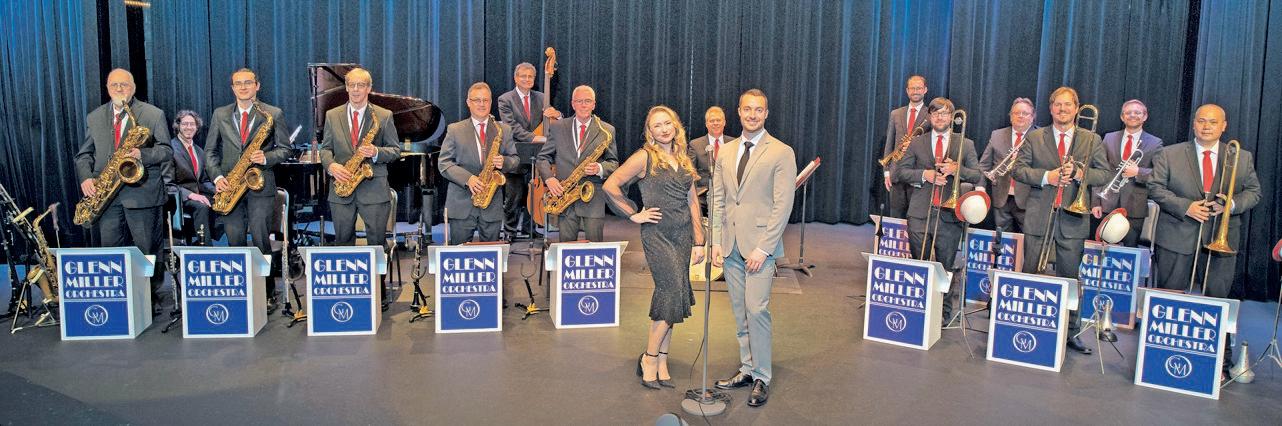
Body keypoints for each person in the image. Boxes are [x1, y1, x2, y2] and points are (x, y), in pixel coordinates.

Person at [1148, 103, 1260, 372]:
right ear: (1194, 124)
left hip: (1221, 241)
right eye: (1201, 121)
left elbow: (1253, 192)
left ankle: (1219, 361)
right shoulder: (1169, 153)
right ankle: (1161, 357)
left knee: (1218, 301)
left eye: (1213, 122)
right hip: (1176, 236)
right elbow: (1154, 187)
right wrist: (1186, 206)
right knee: (1170, 299)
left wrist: (1230, 204)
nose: (1206, 126)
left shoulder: (1241, 157)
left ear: (1224, 126)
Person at [602, 106, 704, 390]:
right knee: (669, 293)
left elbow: (692, 200)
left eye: (667, 123)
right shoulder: (644, 157)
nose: (663, 129)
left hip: (682, 235)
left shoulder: (683, 157)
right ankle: (649, 358)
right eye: (657, 125)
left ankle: (661, 361)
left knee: (675, 298)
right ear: (650, 131)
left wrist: (699, 240)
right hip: (658, 235)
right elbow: (611, 184)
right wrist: (633, 214)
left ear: (675, 126)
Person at [710, 89, 797, 407]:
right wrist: (715, 241)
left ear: (766, 113)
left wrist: (765, 248)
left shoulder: (782, 152)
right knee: (739, 311)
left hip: (760, 247)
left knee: (757, 310)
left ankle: (762, 376)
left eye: (758, 110)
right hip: (730, 246)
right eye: (747, 109)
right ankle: (747, 368)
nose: (752, 114)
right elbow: (718, 199)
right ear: (738, 111)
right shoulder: (725, 151)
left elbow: (782, 205)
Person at [1010, 86, 1110, 355]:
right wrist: (1047, 177)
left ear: (1076, 109)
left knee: (1070, 278)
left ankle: (1070, 332)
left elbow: (1104, 174)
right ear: (1051, 108)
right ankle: (1028, 325)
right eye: (1057, 105)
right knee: (1032, 272)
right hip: (1039, 216)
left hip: (1073, 220)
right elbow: (1018, 170)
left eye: (1068, 105)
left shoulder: (1091, 139)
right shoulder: (1034, 137)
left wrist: (1079, 173)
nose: (1063, 109)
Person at [74, 68, 173, 315]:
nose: (119, 89)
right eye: (114, 85)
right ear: (107, 88)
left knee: (147, 249)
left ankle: (150, 298)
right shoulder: (95, 117)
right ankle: (118, 300)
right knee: (111, 250)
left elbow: (166, 151)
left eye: (124, 85)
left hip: (142, 193)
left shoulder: (153, 114)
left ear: (133, 87)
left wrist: (142, 154)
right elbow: (84, 155)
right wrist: (86, 178)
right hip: (107, 196)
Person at [206, 68, 293, 309]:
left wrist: (266, 158)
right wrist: (217, 177)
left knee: (260, 239)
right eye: (238, 83)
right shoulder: (220, 114)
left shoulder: (273, 113)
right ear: (232, 87)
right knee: (234, 240)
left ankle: (267, 293)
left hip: (260, 186)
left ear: (257, 85)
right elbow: (210, 151)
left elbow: (286, 149)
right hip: (230, 186)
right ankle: (241, 291)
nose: (243, 87)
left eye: (248, 82)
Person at [893, 97, 981, 325]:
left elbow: (977, 175)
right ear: (929, 117)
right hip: (920, 212)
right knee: (919, 264)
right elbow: (900, 172)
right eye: (935, 113)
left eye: (944, 113)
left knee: (945, 267)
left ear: (951, 117)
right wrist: (925, 175)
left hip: (949, 216)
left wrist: (956, 169)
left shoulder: (966, 144)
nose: (940, 117)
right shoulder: (916, 142)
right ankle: (919, 307)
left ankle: (943, 313)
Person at [320, 67, 401, 247]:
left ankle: (378, 268)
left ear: (369, 88)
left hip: (374, 191)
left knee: (377, 243)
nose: (356, 89)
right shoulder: (332, 115)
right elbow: (325, 149)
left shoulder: (384, 115)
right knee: (342, 243)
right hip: (341, 189)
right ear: (346, 87)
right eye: (352, 85)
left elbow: (395, 151)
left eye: (361, 85)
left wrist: (376, 152)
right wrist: (331, 165)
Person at [439, 82, 520, 245]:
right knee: (459, 255)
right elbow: (444, 163)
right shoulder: (455, 129)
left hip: (492, 205)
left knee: (491, 254)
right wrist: (468, 179)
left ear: (491, 102)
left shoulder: (503, 129)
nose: (482, 104)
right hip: (462, 204)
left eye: (486, 100)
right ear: (468, 102)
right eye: (477, 100)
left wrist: (504, 162)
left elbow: (515, 160)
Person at [535, 85, 619, 242]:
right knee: (566, 248)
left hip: (593, 198)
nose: (583, 105)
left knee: (595, 248)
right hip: (564, 197)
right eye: (579, 101)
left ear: (594, 104)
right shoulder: (557, 127)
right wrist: (549, 179)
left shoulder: (607, 130)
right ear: (573, 104)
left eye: (588, 101)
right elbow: (542, 158)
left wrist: (600, 168)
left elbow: (614, 163)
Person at [496, 63, 561, 239]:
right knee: (514, 196)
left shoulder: (542, 98)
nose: (527, 79)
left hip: (537, 154)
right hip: (515, 154)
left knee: (533, 194)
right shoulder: (505, 99)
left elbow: (554, 122)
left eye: (530, 76)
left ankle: (529, 228)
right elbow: (511, 126)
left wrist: (557, 115)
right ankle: (509, 232)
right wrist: (534, 138)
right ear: (515, 78)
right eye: (523, 76)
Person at [1090, 99, 1163, 246]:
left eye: (1137, 112)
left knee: (1129, 252)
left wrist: (1138, 172)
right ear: (1122, 117)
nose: (1132, 115)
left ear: (1145, 116)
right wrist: (1095, 202)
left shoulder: (1155, 143)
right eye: (1128, 113)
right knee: (1101, 249)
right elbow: (1099, 170)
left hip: (1134, 207)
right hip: (1106, 203)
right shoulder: (1109, 138)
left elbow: (1160, 174)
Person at [979, 98, 1037, 233]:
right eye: (1016, 113)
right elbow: (983, 165)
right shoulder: (997, 135)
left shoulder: (1040, 136)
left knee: (1030, 238)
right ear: (1010, 116)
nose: (1020, 116)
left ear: (1032, 117)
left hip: (1029, 198)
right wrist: (980, 188)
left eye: (1025, 113)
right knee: (1001, 238)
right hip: (1001, 197)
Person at [881, 75, 929, 218]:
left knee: (916, 218)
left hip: (918, 172)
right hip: (896, 172)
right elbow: (889, 143)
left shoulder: (931, 115)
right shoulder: (896, 114)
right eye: (912, 88)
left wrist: (916, 143)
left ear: (925, 90)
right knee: (895, 215)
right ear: (907, 91)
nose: (915, 91)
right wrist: (886, 172)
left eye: (919, 88)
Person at [168, 110, 215, 244]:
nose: (189, 127)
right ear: (178, 126)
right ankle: (205, 247)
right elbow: (168, 184)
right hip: (178, 198)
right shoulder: (170, 148)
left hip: (197, 195)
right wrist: (191, 195)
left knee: (223, 204)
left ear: (197, 127)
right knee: (202, 206)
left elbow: (203, 180)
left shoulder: (199, 151)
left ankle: (203, 242)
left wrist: (217, 191)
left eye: (192, 124)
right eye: (185, 124)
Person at [688, 106, 729, 208]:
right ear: (706, 124)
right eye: (712, 121)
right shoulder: (695, 145)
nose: (715, 123)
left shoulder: (734, 143)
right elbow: (690, 172)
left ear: (724, 122)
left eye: (718, 120)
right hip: (703, 199)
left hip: (728, 197)